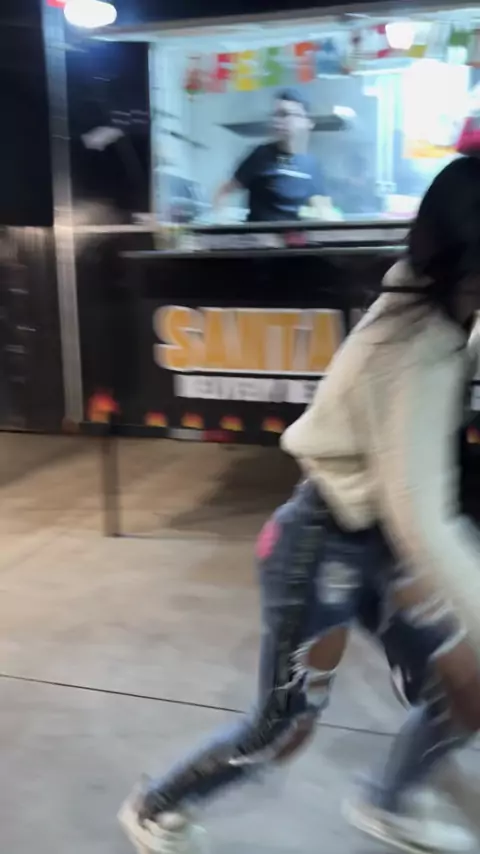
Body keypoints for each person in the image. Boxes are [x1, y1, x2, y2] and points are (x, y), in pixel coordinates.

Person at [119, 156, 480, 854]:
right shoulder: (414, 348)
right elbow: (423, 518)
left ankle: (391, 803)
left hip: (381, 535)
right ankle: (157, 804)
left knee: (466, 690)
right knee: (286, 725)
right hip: (322, 542)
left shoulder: (435, 306)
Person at [214, 89, 335, 222]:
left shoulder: (312, 165)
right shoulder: (261, 155)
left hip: (295, 234)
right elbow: (224, 191)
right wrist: (221, 221)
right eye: (276, 115)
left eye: (285, 114)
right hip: (260, 234)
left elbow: (323, 207)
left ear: (307, 122)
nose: (278, 121)